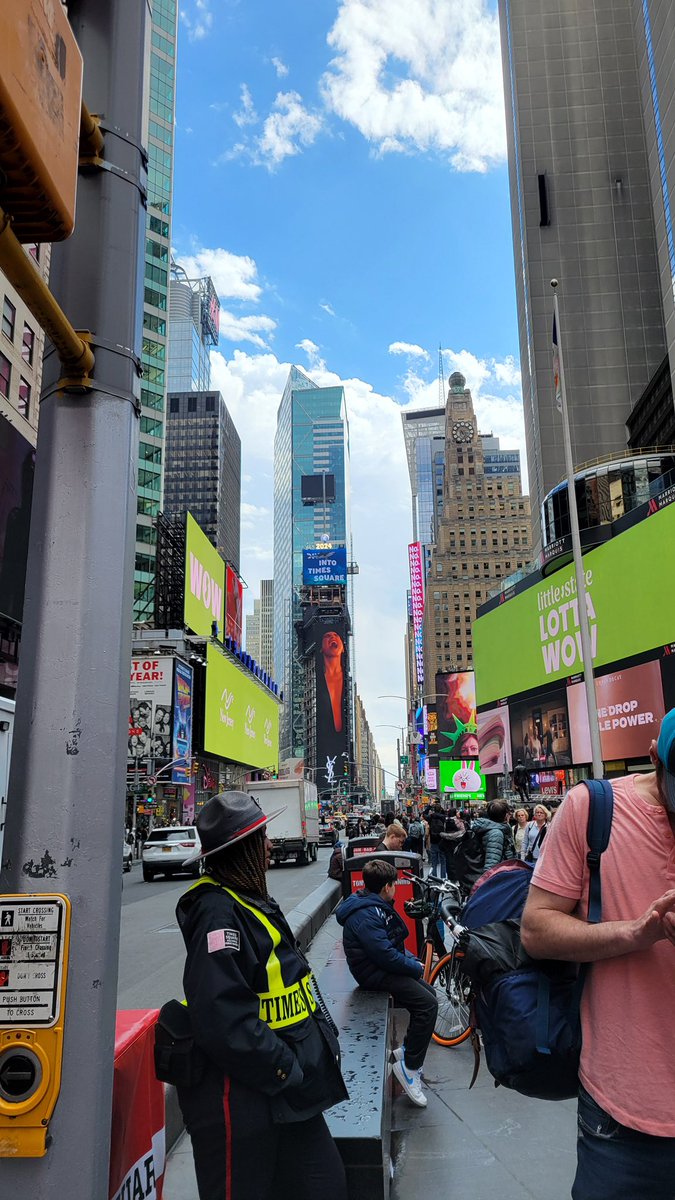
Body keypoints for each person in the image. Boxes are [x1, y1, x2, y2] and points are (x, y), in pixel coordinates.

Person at [521, 710, 675, 1200]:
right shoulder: (593, 808)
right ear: (656, 760)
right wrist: (639, 932)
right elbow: (537, 929)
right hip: (621, 1121)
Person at [172, 792, 348, 1200]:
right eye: (262, 838)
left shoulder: (248, 899)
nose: (270, 845)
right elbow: (222, 1016)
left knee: (326, 1185)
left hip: (285, 1093)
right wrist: (285, 1067)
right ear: (243, 851)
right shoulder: (216, 913)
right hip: (247, 1099)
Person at [336, 859, 438, 1107]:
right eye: (394, 884)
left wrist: (411, 962)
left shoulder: (371, 905)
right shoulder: (367, 914)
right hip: (374, 974)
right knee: (427, 1005)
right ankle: (410, 1068)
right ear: (387, 887)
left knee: (430, 994)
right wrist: (414, 966)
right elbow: (385, 955)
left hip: (379, 968)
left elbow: (390, 947)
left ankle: (406, 1051)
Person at [471, 799, 516, 870]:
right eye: (509, 813)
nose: (510, 815)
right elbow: (491, 865)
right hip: (500, 875)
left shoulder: (496, 828)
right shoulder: (496, 834)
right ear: (505, 815)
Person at [426, 802, 447, 878]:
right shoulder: (443, 817)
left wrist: (429, 806)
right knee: (443, 861)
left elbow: (424, 814)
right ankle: (443, 877)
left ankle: (434, 877)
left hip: (433, 841)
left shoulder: (431, 817)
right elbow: (445, 814)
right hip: (441, 841)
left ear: (434, 810)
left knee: (434, 861)